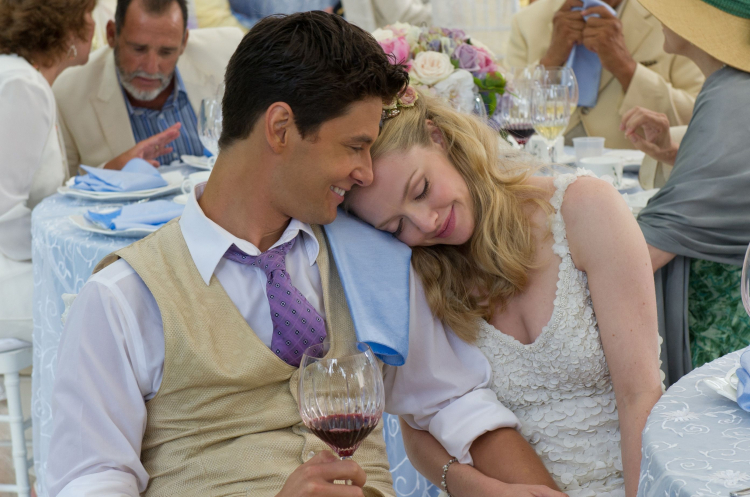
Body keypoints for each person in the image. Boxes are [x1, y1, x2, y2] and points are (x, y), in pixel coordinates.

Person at [47, 12, 568, 497]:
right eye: (355, 146)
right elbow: (92, 484)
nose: (365, 173)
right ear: (280, 128)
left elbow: (454, 403)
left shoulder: (369, 258)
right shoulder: (123, 300)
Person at [344, 88, 663, 496]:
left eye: (421, 189)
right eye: (396, 226)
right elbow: (418, 426)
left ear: (438, 137)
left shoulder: (584, 210)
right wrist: (479, 488)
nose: (425, 223)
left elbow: (640, 396)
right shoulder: (420, 272)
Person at [619, 0, 750, 382]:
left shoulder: (731, 92)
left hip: (722, 330)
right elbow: (731, 184)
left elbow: (655, 244)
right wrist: (674, 152)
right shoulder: (731, 84)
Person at [0, 0, 96, 345]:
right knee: (111, 301)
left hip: (12, 258)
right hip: (8, 271)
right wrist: (67, 243)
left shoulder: (17, 74)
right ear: (65, 28)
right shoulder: (24, 85)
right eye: (87, 13)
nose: (94, 23)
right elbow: (3, 213)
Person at [52, 0, 243, 175]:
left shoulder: (228, 53)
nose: (151, 68)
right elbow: (62, 186)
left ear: (184, 42)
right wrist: (110, 171)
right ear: (111, 34)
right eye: (138, 49)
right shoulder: (69, 92)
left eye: (166, 52)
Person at [505, 0, 704, 150]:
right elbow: (506, 113)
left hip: (640, 173)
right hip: (546, 168)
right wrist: (551, 59)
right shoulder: (527, 21)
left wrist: (626, 67)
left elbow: (699, 118)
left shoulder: (672, 20)